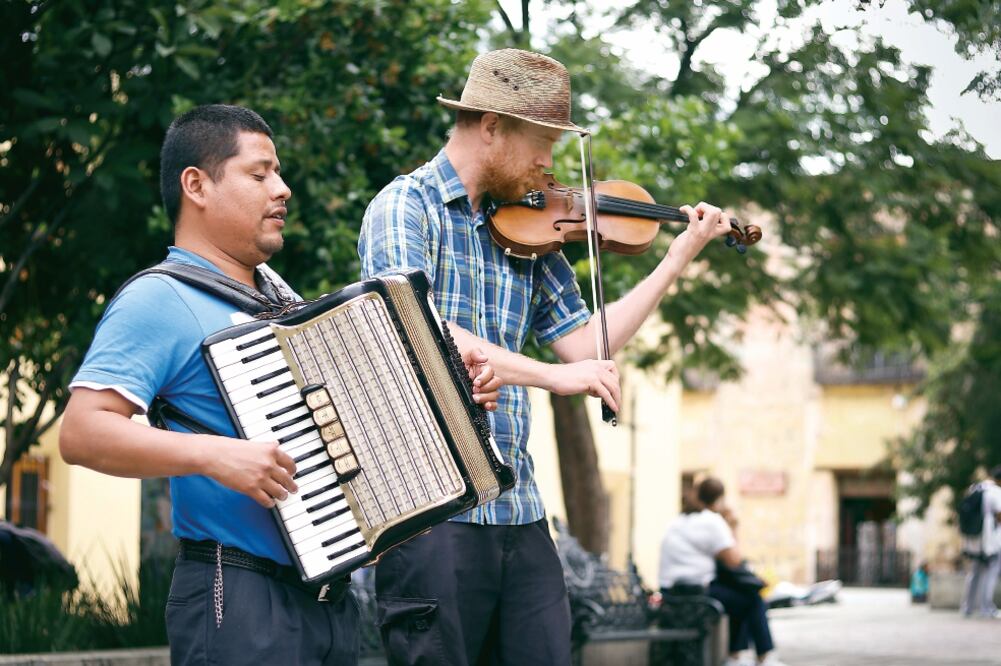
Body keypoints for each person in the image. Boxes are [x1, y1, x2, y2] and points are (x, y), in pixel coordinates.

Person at [59, 104, 501, 665]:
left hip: (331, 601)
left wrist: (456, 397)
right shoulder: (158, 299)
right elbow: (81, 432)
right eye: (259, 172)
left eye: (279, 172)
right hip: (238, 596)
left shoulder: (283, 301)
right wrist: (216, 455)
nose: (282, 189)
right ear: (196, 185)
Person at [358, 48, 736, 665]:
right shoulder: (406, 208)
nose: (550, 165)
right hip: (434, 511)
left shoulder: (529, 227)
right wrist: (557, 378)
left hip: (520, 508)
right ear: (491, 126)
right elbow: (416, 332)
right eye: (542, 143)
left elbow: (589, 346)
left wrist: (678, 255)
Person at [659, 477, 785, 666]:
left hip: (669, 593)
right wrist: (733, 527)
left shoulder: (677, 522)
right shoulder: (711, 521)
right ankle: (763, 656)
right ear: (718, 500)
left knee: (738, 598)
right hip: (698, 592)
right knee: (752, 598)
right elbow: (734, 560)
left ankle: (736, 655)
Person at [960, 465, 1001, 618]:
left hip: (974, 538)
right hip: (990, 538)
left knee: (975, 572)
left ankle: (967, 607)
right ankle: (986, 608)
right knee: (992, 571)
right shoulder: (996, 492)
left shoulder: (977, 488)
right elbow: (999, 514)